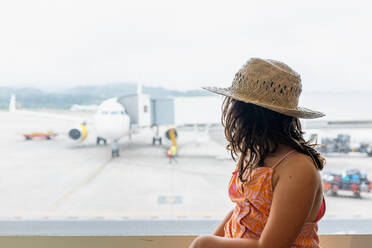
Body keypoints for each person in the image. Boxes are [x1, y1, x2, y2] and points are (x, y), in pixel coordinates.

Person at [188, 58, 326, 248]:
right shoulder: (255, 153)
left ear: (247, 113)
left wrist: (204, 244)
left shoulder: (298, 168)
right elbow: (242, 211)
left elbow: (270, 247)